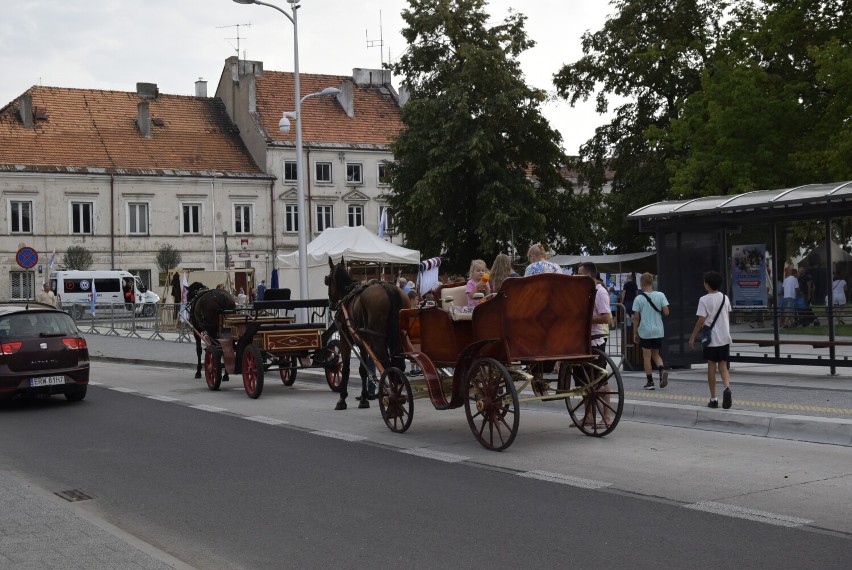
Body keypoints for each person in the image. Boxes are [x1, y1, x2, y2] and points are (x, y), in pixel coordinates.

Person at [576, 262, 614, 425]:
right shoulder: (586, 291)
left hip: (596, 341)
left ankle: (606, 416)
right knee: (586, 382)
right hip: (583, 341)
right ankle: (589, 415)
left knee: (600, 380)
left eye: (580, 274)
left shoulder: (600, 292)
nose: (578, 277)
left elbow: (607, 317)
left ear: (589, 275)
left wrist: (583, 320)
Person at [688, 271, 733, 409]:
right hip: (725, 337)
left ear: (707, 284)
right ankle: (727, 388)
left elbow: (701, 320)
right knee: (723, 366)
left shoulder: (704, 299)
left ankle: (713, 399)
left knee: (712, 367)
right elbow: (727, 315)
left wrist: (693, 336)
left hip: (712, 339)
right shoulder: (725, 298)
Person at [631, 272, 670, 390]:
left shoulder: (638, 298)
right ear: (652, 282)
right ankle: (662, 369)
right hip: (658, 330)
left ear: (642, 283)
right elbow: (667, 312)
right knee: (656, 354)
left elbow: (636, 317)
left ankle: (650, 382)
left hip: (645, 331)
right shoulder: (661, 295)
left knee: (646, 357)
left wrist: (634, 332)